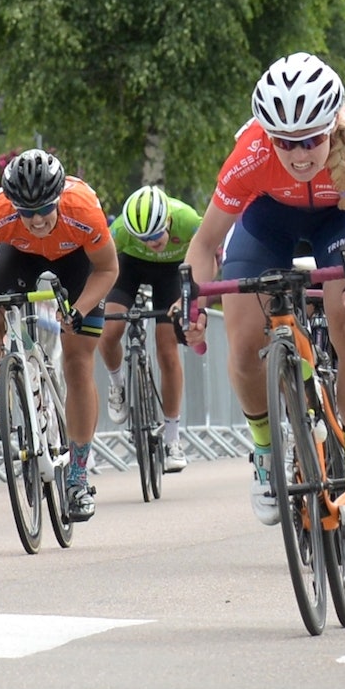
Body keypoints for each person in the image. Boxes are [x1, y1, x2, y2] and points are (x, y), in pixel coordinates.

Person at [180, 52, 345, 533]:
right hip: (268, 223)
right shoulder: (250, 154)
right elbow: (203, 245)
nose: (300, 155)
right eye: (285, 143)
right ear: (268, 136)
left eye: (310, 140)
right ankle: (265, 454)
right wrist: (193, 303)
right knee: (244, 345)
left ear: (332, 128)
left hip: (342, 219)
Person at [0, 148, 118, 522]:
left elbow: (107, 269)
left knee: (78, 361)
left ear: (58, 199)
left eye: (43, 210)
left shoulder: (83, 209)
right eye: (26, 211)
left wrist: (78, 310)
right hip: (17, 254)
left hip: (76, 261)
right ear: (12, 204)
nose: (35, 219)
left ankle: (78, 476)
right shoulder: (0, 213)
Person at [98, 185, 202, 473]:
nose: (151, 241)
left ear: (168, 221)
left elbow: (208, 258)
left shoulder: (188, 219)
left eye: (156, 235)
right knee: (108, 332)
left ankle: (172, 438)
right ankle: (117, 383)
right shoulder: (120, 231)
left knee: (166, 349)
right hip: (130, 267)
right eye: (143, 237)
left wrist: (193, 302)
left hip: (171, 272)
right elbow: (99, 265)